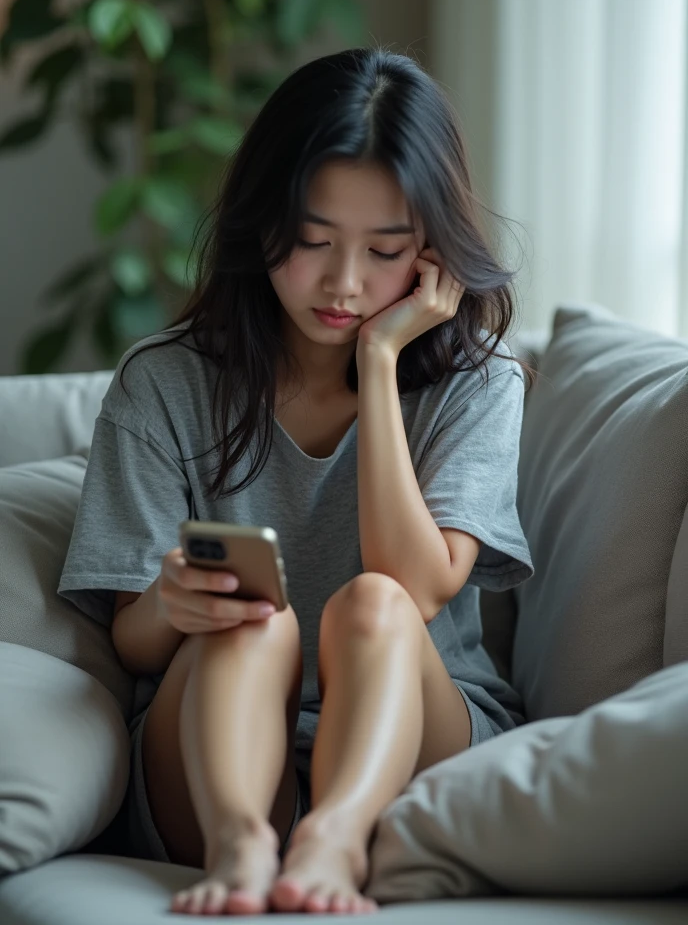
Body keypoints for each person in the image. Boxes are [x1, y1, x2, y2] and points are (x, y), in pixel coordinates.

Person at [57, 47, 535, 917]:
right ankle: (245, 845)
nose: (343, 284)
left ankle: (334, 840)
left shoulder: (479, 381)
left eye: (384, 251)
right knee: (251, 620)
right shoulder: (165, 381)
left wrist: (381, 362)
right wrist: (173, 601)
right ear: (260, 223)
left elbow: (418, 586)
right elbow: (134, 646)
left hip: (421, 743)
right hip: (210, 758)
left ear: (432, 255)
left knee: (374, 606)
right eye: (312, 242)